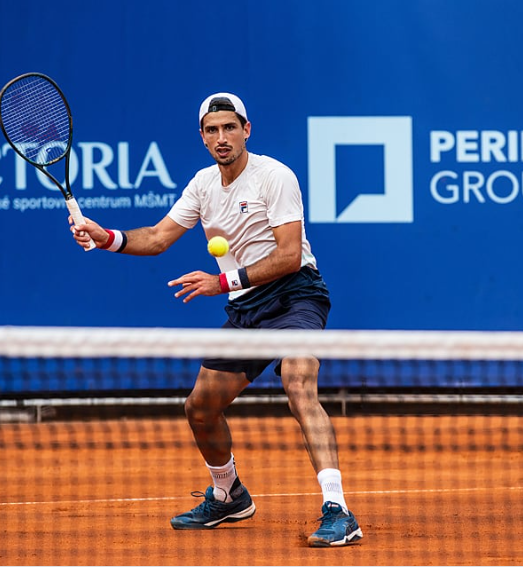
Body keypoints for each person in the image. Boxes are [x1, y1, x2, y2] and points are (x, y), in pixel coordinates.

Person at [70, 92, 363, 547]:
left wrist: (219, 282)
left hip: (294, 296)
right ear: (203, 137)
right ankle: (228, 495)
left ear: (247, 130)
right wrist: (105, 236)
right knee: (200, 408)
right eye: (212, 130)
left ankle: (337, 509)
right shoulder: (203, 184)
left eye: (230, 127)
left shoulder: (275, 176)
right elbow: (157, 237)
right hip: (247, 307)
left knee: (298, 380)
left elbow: (288, 256)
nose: (222, 137)